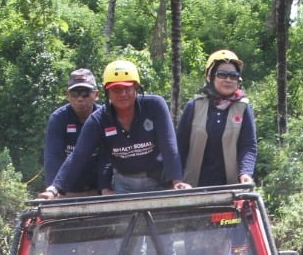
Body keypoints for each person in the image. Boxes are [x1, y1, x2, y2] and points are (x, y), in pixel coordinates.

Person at [41, 60, 185, 198]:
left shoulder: (155, 106)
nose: (122, 94)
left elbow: (169, 145)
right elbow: (78, 155)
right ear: (107, 92)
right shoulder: (98, 119)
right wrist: (54, 189)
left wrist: (177, 180)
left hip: (158, 181)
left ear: (136, 88)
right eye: (116, 89)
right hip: (123, 186)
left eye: (127, 88)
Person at [176, 50, 257, 187]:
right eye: (222, 75)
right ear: (210, 77)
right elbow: (180, 146)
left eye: (233, 76)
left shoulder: (243, 108)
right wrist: (177, 179)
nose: (228, 80)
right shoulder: (194, 106)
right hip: (193, 186)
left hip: (231, 187)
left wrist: (245, 173)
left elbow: (248, 146)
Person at [41, 68, 103, 196]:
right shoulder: (59, 118)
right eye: (75, 93)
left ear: (96, 95)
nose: (80, 98)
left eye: (85, 93)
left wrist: (105, 188)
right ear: (67, 95)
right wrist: (54, 190)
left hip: (100, 188)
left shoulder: (105, 116)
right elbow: (52, 158)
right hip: (68, 189)